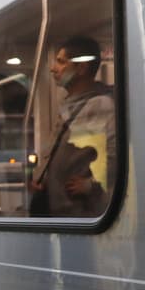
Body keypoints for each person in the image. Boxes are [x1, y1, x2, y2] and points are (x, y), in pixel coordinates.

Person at [29, 35, 115, 218]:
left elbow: (116, 156)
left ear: (81, 68)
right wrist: (41, 177)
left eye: (61, 62)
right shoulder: (69, 104)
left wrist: (91, 184)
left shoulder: (100, 106)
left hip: (79, 214)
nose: (53, 69)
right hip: (59, 211)